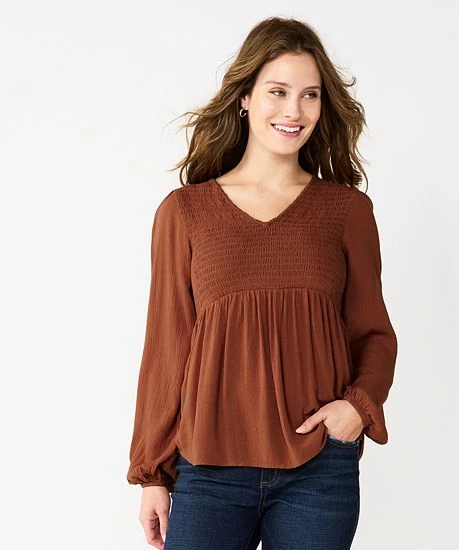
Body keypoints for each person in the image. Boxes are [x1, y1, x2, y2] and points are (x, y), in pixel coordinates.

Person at [126, 16, 398, 550]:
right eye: (278, 91)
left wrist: (357, 407)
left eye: (310, 95)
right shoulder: (185, 213)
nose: (294, 110)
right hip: (207, 471)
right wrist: (152, 473)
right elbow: (166, 348)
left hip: (318, 471)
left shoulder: (346, 211)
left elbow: (374, 333)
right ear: (245, 97)